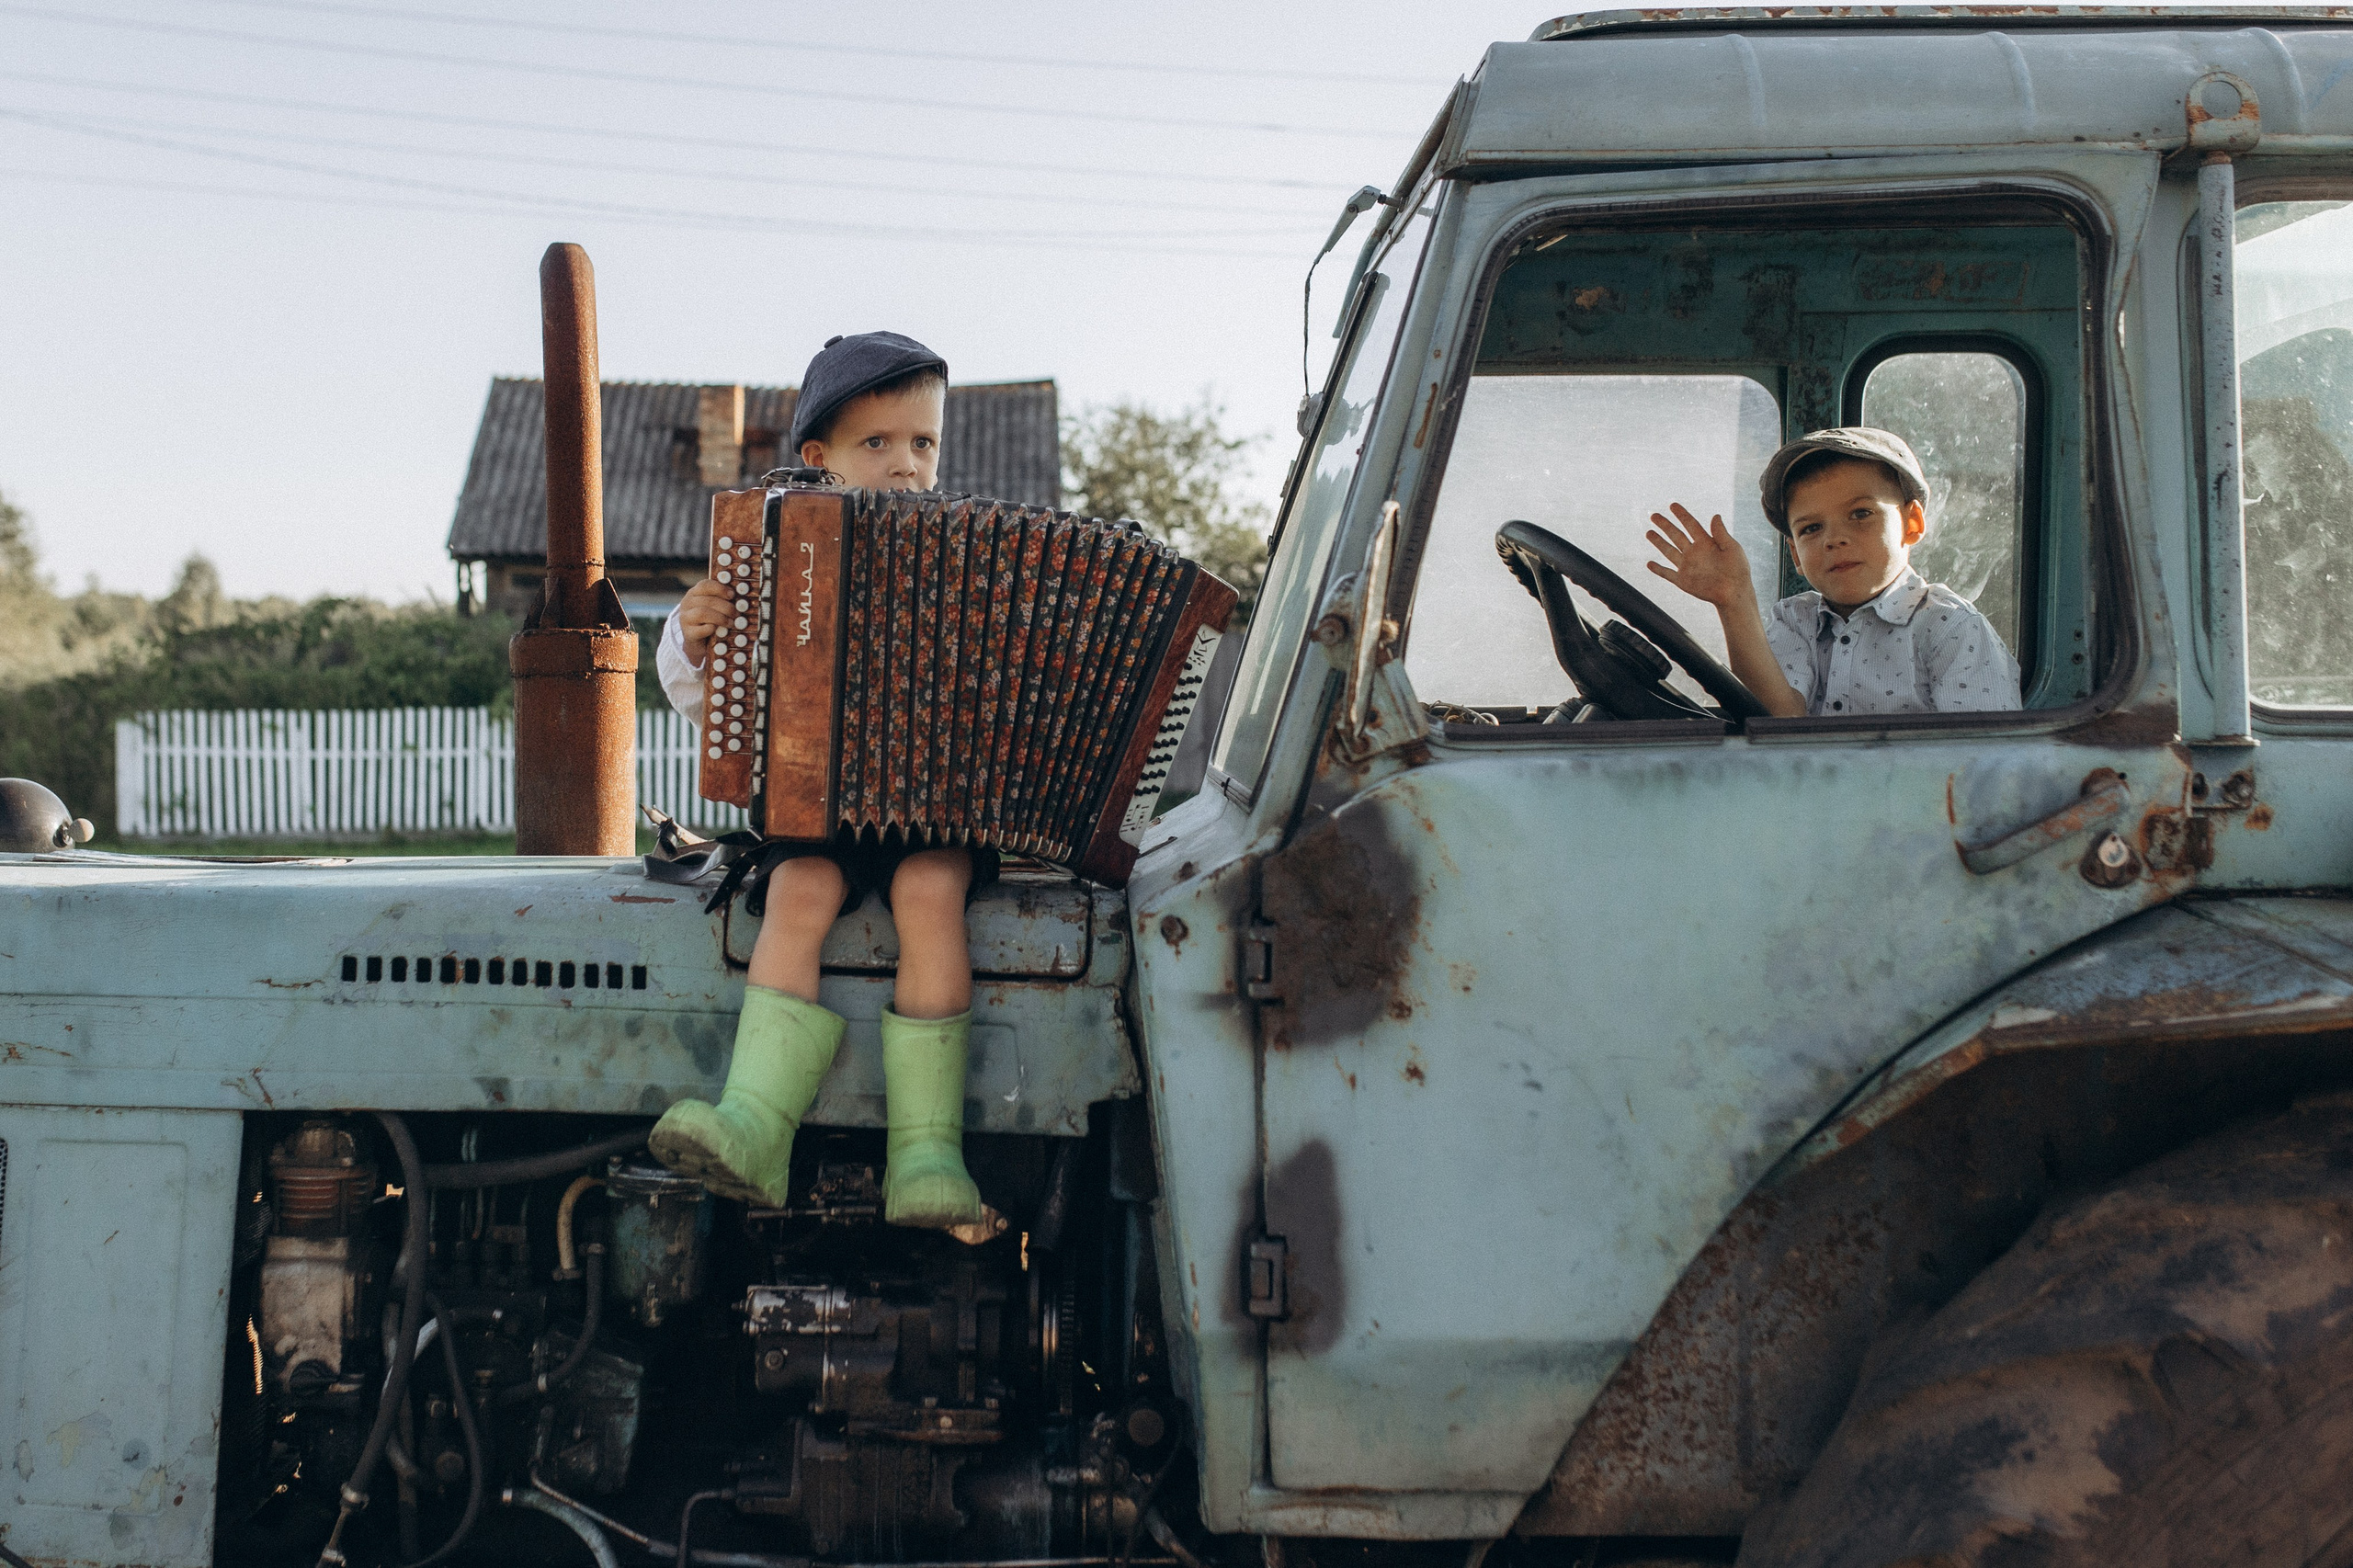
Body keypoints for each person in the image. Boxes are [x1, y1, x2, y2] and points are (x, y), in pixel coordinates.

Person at [648, 331, 998, 1238]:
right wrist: (693, 638)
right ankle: (754, 1122)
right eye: (875, 444)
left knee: (930, 888)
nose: (903, 465)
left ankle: (928, 1149)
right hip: (817, 806)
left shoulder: (969, 556)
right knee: (797, 890)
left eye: (921, 443)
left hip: (932, 808)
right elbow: (708, 696)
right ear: (819, 458)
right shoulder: (778, 555)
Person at [1643, 426, 2021, 717]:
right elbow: (1779, 720)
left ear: (1912, 523)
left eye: (1861, 514)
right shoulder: (1795, 621)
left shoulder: (1950, 627)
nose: (1834, 539)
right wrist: (1733, 601)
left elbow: (1983, 761)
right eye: (1811, 529)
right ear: (1794, 552)